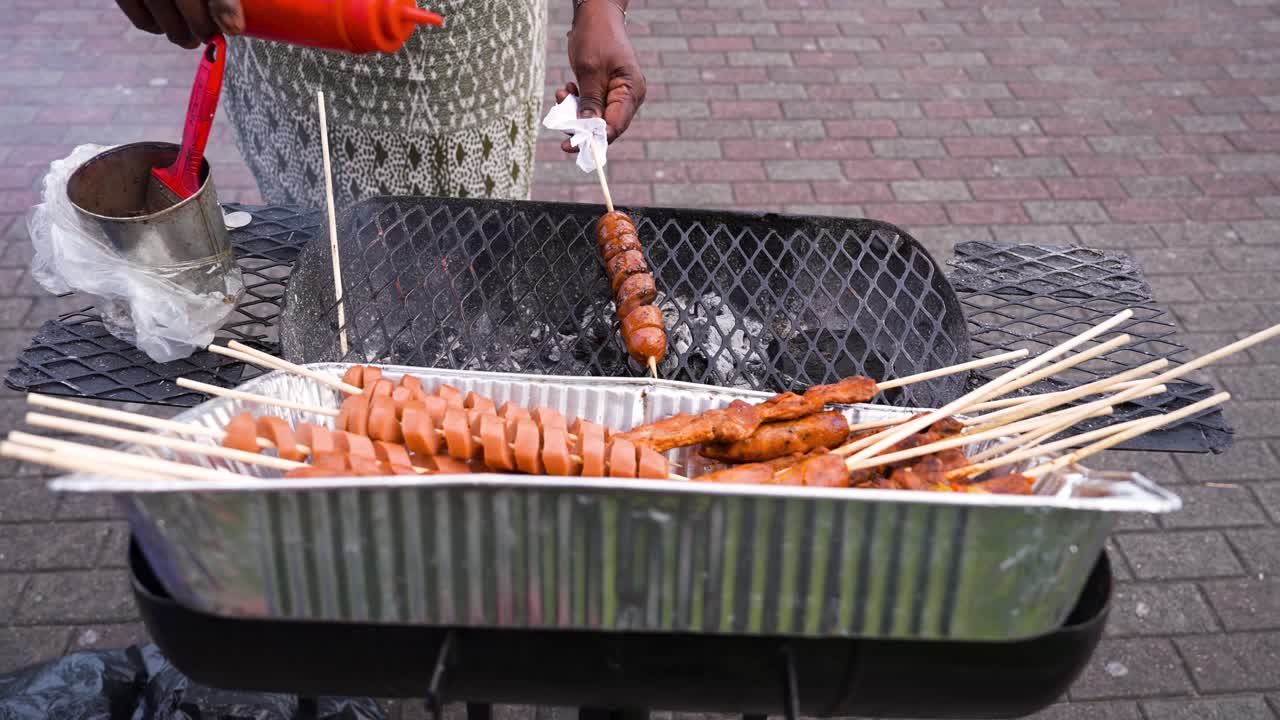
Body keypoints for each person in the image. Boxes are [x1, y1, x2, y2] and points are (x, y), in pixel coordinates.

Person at [112, 0, 645, 209]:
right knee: (318, 260)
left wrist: (600, 7)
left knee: (464, 270)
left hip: (469, 63)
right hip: (280, 41)